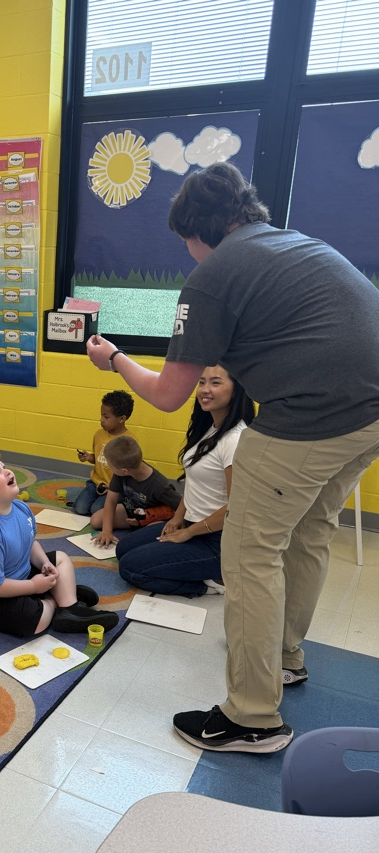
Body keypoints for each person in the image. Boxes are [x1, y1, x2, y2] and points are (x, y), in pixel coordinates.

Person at [87, 161, 379, 754]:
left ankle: (252, 716)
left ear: (198, 230)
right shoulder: (295, 241)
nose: (189, 254)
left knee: (250, 556)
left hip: (311, 416)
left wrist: (115, 358)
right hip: (369, 412)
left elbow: (169, 395)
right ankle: (285, 659)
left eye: (185, 243)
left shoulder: (214, 274)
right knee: (308, 534)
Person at [113, 367, 252, 597]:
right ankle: (188, 565)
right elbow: (195, 484)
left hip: (216, 541)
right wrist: (178, 518)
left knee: (130, 568)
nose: (205, 390)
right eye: (202, 382)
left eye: (215, 383)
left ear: (236, 391)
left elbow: (237, 507)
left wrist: (190, 533)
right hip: (191, 522)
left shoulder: (235, 440)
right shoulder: (209, 428)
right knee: (123, 549)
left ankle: (208, 585)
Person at [0, 451, 120, 637]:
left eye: (4, 467)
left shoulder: (20, 508)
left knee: (61, 558)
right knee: (33, 621)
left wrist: (43, 563)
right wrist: (33, 587)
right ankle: (58, 597)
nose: (7, 472)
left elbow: (29, 543)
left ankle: (69, 608)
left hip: (17, 576)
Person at [91, 435, 182, 545]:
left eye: (110, 466)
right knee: (96, 520)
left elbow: (182, 505)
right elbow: (111, 501)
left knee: (146, 535)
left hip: (154, 517)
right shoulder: (121, 473)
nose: (110, 468)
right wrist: (106, 531)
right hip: (132, 510)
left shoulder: (159, 485)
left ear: (124, 470)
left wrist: (148, 518)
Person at [73, 390, 134, 515]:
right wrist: (88, 457)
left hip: (115, 488)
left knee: (96, 510)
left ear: (122, 418)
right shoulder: (99, 434)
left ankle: (121, 501)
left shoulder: (129, 441)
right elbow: (98, 458)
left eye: (106, 417)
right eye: (101, 415)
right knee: (80, 508)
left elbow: (130, 472)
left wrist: (114, 489)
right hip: (95, 483)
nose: (101, 420)